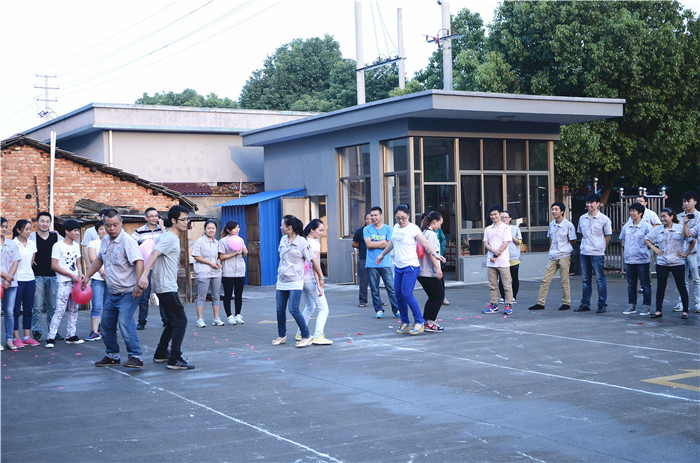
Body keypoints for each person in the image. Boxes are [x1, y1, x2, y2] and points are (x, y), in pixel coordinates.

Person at [82, 210, 145, 368]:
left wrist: (139, 285)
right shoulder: (106, 241)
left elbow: (139, 261)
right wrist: (87, 276)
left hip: (128, 292)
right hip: (112, 292)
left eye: (115, 225)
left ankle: (136, 357)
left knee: (125, 323)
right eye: (108, 225)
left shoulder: (127, 241)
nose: (111, 228)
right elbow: (99, 259)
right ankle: (112, 355)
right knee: (106, 324)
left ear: (121, 223)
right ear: (103, 225)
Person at [139, 205, 194, 370]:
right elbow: (153, 254)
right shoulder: (169, 237)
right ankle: (174, 358)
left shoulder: (168, 235)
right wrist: (144, 276)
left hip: (166, 284)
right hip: (166, 285)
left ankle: (161, 353)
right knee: (181, 321)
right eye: (183, 220)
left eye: (187, 219)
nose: (186, 222)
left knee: (172, 321)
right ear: (174, 220)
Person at [377, 205, 444, 335]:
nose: (401, 220)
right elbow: (392, 242)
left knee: (406, 294)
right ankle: (405, 322)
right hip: (399, 266)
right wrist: (382, 254)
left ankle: (419, 321)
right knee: (398, 295)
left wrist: (435, 254)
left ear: (408, 216)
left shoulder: (413, 228)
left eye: (403, 218)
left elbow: (425, 243)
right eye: (398, 218)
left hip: (411, 266)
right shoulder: (396, 227)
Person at [271, 215, 323, 348]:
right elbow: (282, 260)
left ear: (289, 227)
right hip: (282, 280)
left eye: (282, 225)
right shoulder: (283, 239)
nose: (280, 227)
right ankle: (281, 335)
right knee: (279, 309)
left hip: (295, 280)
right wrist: (278, 274)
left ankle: (306, 336)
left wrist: (321, 278)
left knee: (293, 309)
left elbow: (313, 261)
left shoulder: (302, 242)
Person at [529, 202, 578, 311]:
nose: (553, 212)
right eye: (552, 209)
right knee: (545, 280)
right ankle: (540, 303)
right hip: (553, 256)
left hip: (564, 255)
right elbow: (551, 239)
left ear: (562, 211)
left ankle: (566, 303)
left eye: (556, 209)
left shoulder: (569, 225)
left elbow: (572, 241)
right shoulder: (552, 224)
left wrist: (566, 249)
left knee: (564, 280)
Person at [644, 208, 691, 319]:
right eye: (661, 216)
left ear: (671, 216)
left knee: (681, 286)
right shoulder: (658, 229)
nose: (662, 219)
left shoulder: (680, 228)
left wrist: (686, 253)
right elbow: (646, 239)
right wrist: (654, 248)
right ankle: (658, 311)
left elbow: (691, 240)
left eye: (665, 216)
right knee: (661, 287)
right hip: (662, 262)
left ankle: (685, 311)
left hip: (677, 262)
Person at [46, 219, 84, 348]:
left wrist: (80, 274)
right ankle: (51, 337)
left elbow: (78, 263)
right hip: (63, 282)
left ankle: (71, 335)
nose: (77, 233)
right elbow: (54, 265)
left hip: (76, 282)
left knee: (74, 309)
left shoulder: (76, 246)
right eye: (75, 230)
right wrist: (70, 275)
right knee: (60, 310)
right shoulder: (58, 246)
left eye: (78, 231)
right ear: (67, 231)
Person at [575, 193, 612, 313]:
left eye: (591, 202)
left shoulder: (604, 219)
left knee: (600, 279)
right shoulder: (582, 218)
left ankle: (602, 304)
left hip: (597, 253)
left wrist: (601, 248)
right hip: (584, 251)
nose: (589, 205)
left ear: (598, 204)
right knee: (585, 279)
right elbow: (581, 234)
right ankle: (585, 303)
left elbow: (607, 236)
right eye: (587, 202)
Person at [298, 219, 332, 345]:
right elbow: (315, 265)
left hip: (301, 279)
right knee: (323, 309)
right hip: (311, 279)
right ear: (312, 230)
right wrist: (319, 283)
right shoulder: (315, 244)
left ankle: (300, 332)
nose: (322, 233)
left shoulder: (302, 241)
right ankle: (318, 335)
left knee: (309, 306)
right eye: (320, 230)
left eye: (323, 231)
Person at [28, 212, 61, 341]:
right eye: (42, 221)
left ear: (50, 223)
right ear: (37, 222)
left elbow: (64, 248)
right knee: (37, 306)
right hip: (37, 275)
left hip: (53, 275)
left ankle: (53, 331)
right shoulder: (32, 236)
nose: (45, 224)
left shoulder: (56, 236)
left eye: (47, 221)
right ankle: (36, 330)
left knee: (53, 306)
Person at [131, 207, 164, 330]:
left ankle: (166, 320)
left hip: (160, 267)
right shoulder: (138, 232)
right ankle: (142, 321)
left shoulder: (162, 230)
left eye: (156, 216)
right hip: (145, 269)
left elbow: (168, 240)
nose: (154, 218)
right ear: (146, 218)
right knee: (144, 296)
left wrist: (162, 227)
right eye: (151, 216)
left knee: (162, 294)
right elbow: (131, 246)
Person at [364, 206, 398, 319]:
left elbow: (390, 244)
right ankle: (379, 309)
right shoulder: (367, 229)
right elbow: (368, 245)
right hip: (371, 264)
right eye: (372, 215)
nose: (374, 217)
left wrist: (377, 243)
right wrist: (383, 242)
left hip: (385, 263)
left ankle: (396, 309)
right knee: (374, 289)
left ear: (381, 216)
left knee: (391, 288)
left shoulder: (388, 229)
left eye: (376, 215)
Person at [620, 203, 653, 315]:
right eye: (631, 211)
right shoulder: (626, 226)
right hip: (629, 259)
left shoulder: (646, 226)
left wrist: (642, 250)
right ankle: (631, 305)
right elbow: (622, 238)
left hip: (642, 260)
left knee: (645, 284)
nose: (632, 213)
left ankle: (646, 306)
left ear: (640, 213)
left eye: (634, 211)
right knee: (631, 284)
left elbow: (651, 242)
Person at [12, 219, 40, 347]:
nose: (29, 232)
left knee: (29, 308)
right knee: (16, 309)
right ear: (19, 230)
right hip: (17, 280)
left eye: (30, 229)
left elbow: (31, 263)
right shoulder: (13, 244)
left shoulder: (32, 244)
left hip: (30, 279)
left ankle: (27, 336)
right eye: (26, 229)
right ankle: (15, 337)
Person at [482, 205, 514, 314]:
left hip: (503, 261)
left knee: (506, 285)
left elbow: (505, 243)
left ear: (500, 214)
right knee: (492, 285)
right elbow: (486, 243)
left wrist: (496, 255)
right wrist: (493, 251)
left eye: (495, 214)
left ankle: (508, 305)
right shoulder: (488, 229)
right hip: (491, 262)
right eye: (491, 214)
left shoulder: (506, 228)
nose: (493, 216)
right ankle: (493, 305)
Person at [417, 211, 445, 332]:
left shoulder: (423, 232)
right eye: (440, 223)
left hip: (422, 271)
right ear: (434, 221)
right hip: (429, 271)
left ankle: (426, 320)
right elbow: (432, 253)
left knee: (432, 297)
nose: (440, 226)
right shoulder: (431, 234)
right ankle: (430, 322)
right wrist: (438, 269)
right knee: (439, 297)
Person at [192, 219, 223, 327]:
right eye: (208, 228)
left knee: (216, 295)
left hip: (216, 272)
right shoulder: (200, 241)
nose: (211, 230)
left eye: (213, 228)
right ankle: (200, 319)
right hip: (203, 271)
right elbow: (196, 256)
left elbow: (219, 256)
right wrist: (210, 263)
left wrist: (218, 262)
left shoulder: (217, 243)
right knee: (202, 296)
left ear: (216, 230)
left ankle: (216, 318)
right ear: (205, 229)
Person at [219, 221, 247, 325]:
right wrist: (234, 253)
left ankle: (238, 314)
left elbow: (244, 255)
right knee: (228, 294)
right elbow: (221, 256)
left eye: (238, 227)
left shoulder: (240, 240)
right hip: (228, 271)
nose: (237, 229)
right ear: (228, 230)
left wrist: (244, 252)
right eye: (235, 228)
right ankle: (229, 315)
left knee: (239, 294)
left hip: (240, 270)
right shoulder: (223, 241)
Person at [675, 191, 699, 313]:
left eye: (689, 201)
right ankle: (682, 302)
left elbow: (692, 235)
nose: (686, 204)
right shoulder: (678, 216)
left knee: (696, 278)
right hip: (680, 251)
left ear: (695, 202)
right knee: (682, 279)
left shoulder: (699, 216)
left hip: (694, 251)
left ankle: (698, 303)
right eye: (684, 201)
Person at [85, 220, 108, 341]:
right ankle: (94, 331)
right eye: (100, 229)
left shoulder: (112, 242)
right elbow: (93, 259)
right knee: (97, 305)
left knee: (109, 306)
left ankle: (107, 330)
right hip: (97, 278)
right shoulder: (93, 243)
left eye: (105, 228)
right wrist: (103, 272)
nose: (103, 231)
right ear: (97, 231)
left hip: (112, 279)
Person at [1, 217, 21, 351]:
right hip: (3, 279)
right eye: (2, 226)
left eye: (6, 226)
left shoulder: (11, 244)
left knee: (9, 311)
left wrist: (8, 279)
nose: (4, 229)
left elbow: (16, 261)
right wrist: (5, 275)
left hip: (11, 282)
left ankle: (9, 339)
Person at [498, 210, 522, 304]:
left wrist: (510, 235)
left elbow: (519, 242)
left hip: (513, 257)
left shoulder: (515, 228)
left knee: (514, 278)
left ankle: (513, 297)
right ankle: (503, 297)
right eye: (502, 217)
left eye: (506, 217)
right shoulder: (498, 228)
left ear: (510, 218)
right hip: (502, 257)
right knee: (502, 278)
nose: (504, 219)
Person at [352, 213, 371, 307]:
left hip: (375, 259)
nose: (369, 221)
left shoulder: (377, 231)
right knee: (363, 281)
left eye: (370, 219)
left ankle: (378, 300)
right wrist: (362, 247)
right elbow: (354, 244)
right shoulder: (360, 231)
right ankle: (363, 300)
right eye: (367, 219)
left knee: (375, 282)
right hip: (364, 258)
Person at [436, 225, 450, 306]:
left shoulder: (438, 230)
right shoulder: (424, 230)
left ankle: (442, 297)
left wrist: (441, 253)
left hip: (437, 258)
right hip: (428, 260)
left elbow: (443, 241)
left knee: (440, 278)